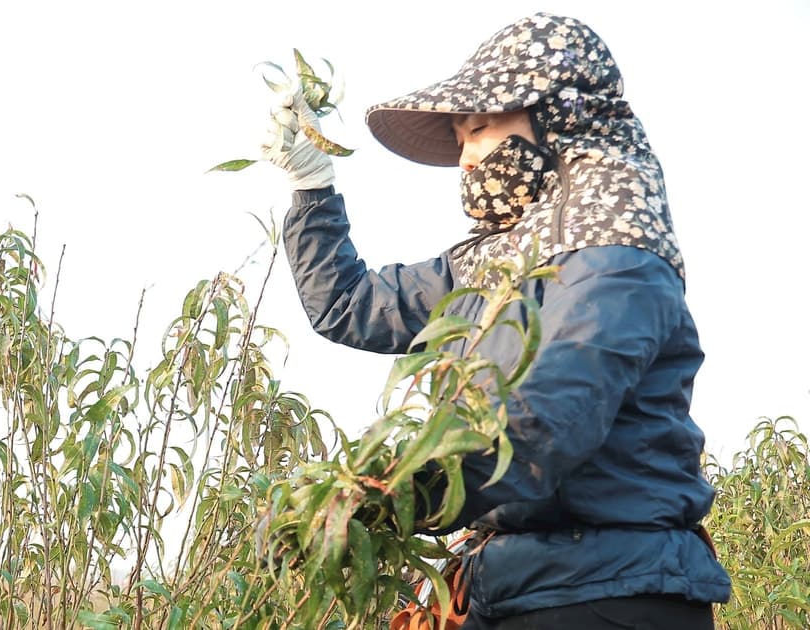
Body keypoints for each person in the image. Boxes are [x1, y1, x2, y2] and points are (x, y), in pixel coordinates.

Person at [260, 12, 730, 630]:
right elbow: (348, 305)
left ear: (560, 116)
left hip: (605, 592)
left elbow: (541, 427)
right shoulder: (497, 258)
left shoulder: (616, 254)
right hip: (516, 587)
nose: (468, 159)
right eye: (459, 140)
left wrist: (381, 499)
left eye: (479, 129)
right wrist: (312, 187)